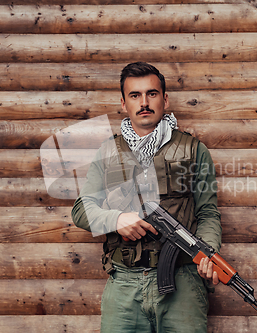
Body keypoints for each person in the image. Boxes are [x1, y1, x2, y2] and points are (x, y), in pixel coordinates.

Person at [71, 62, 222, 332]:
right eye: (135, 95)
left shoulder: (194, 150)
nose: (144, 102)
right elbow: (82, 210)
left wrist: (209, 253)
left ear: (164, 99)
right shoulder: (108, 152)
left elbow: (207, 213)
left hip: (182, 282)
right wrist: (115, 219)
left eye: (152, 94)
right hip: (124, 285)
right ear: (123, 102)